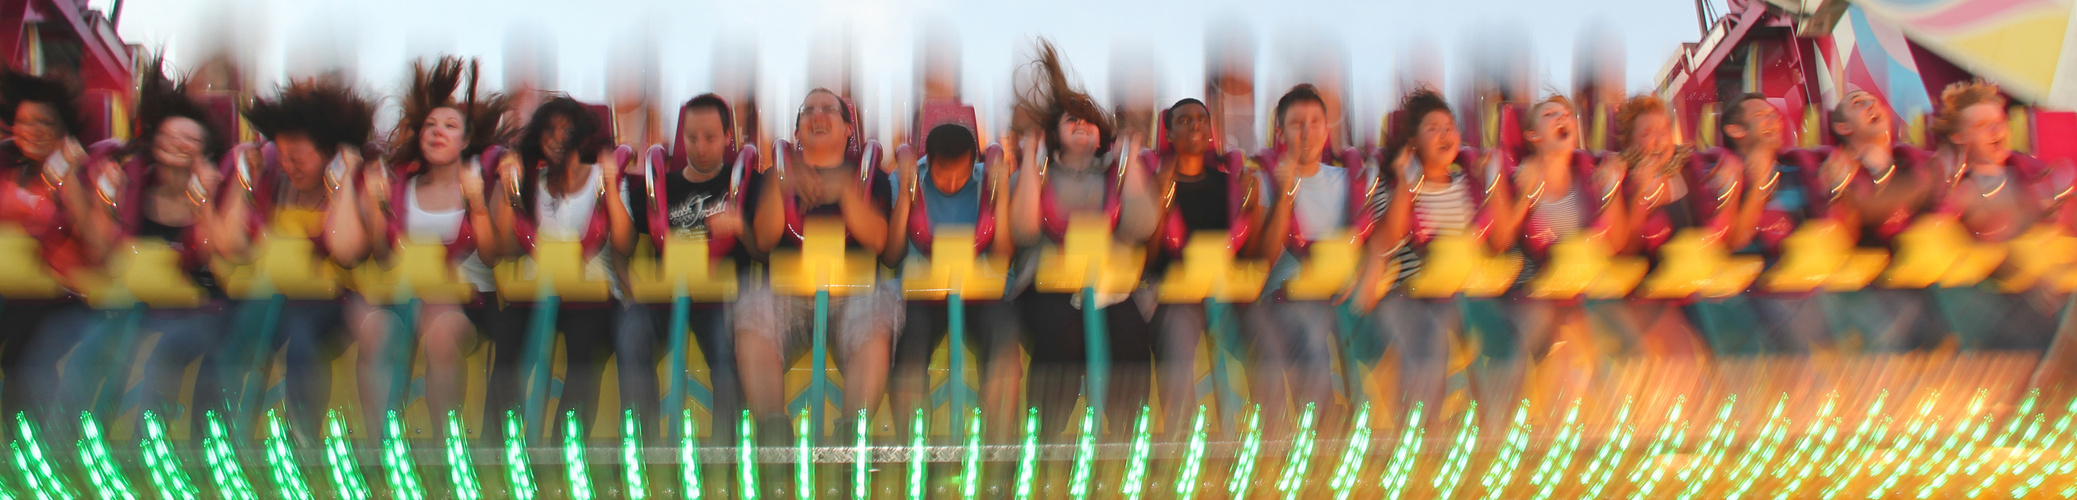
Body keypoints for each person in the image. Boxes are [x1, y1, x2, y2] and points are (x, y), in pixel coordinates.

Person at [1006, 40, 1158, 453]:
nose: (1080, 125)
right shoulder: (1038, 173)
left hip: (1110, 286)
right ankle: (1045, 443)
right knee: (1061, 339)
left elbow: (1140, 227)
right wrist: (1031, 158)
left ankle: (1127, 445)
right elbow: (1022, 231)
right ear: (1054, 132)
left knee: (1129, 334)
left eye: (1089, 122)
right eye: (1071, 119)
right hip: (1049, 284)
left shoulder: (1114, 174)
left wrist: (1132, 164)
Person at [738, 88, 901, 459]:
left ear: (847, 130)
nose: (817, 115)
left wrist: (844, 190)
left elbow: (878, 240)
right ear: (797, 133)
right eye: (808, 111)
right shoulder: (773, 175)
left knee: (877, 313)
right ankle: (773, 433)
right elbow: (764, 239)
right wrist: (781, 188)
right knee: (752, 309)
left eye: (829, 109)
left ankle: (851, 436)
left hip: (854, 290)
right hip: (787, 290)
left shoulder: (869, 177)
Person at [214, 76, 379, 436]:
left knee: (301, 340)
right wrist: (245, 178)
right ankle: (216, 439)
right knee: (229, 342)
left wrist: (346, 178)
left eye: (298, 157)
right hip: (271, 296)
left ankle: (302, 442)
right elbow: (229, 244)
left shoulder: (355, 182)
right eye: (283, 155)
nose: (288, 165)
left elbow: (346, 249)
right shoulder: (272, 179)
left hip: (331, 300)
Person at [354, 57, 509, 436]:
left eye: (450, 126)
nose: (438, 132)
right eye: (430, 125)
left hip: (465, 299)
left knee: (438, 332)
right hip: (406, 294)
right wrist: (376, 208)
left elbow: (490, 255)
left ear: (466, 140)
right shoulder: (401, 188)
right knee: (371, 326)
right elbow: (382, 253)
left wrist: (476, 205)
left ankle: (445, 446)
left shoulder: (483, 185)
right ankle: (381, 444)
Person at [884, 116, 1023, 491]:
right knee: (908, 356)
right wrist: (909, 193)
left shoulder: (989, 180)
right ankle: (916, 460)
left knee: (1005, 350)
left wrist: (1001, 196)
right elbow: (893, 254)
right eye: (942, 176)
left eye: (959, 175)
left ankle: (996, 458)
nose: (949, 184)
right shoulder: (906, 178)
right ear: (928, 162)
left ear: (974, 162)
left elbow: (1004, 255)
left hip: (981, 289)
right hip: (923, 291)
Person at [484, 96, 631, 439]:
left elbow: (625, 243)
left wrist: (610, 189)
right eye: (549, 130)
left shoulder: (602, 177)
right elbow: (506, 248)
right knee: (506, 339)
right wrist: (509, 193)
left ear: (582, 137)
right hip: (535, 291)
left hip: (591, 293)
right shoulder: (533, 182)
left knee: (585, 349)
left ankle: (565, 444)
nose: (556, 138)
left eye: (567, 130)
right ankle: (498, 440)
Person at [618, 93, 747, 447]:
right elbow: (624, 245)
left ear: (727, 137)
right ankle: (642, 448)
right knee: (630, 333)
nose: (700, 147)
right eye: (692, 138)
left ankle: (728, 448)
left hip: (718, 294)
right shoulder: (660, 187)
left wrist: (741, 228)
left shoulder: (741, 186)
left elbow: (762, 246)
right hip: (665, 293)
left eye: (710, 138)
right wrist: (628, 282)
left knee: (726, 348)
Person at [1241, 84, 1371, 434]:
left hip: (1338, 292)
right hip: (1283, 296)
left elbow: (1364, 241)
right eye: (1297, 123)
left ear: (1326, 130)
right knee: (1310, 330)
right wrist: (1284, 197)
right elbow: (1264, 257)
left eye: (1315, 122)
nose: (1307, 132)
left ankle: (1339, 427)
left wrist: (1358, 274)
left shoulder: (1345, 180)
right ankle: (1317, 432)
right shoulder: (1264, 181)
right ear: (1280, 132)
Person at [1144, 97, 1255, 440]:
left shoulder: (1229, 185)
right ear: (1169, 133)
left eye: (1200, 120)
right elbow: (1147, 257)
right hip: (1177, 294)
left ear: (1211, 132)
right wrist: (1160, 203)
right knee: (1176, 341)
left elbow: (1250, 252)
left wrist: (1257, 205)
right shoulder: (1157, 185)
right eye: (1183, 120)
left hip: (1227, 290)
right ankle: (1180, 442)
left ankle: (1262, 439)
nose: (1194, 125)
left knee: (1266, 337)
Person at [1922, 81, 2061, 349]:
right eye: (1982, 125)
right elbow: (1979, 246)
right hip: (1997, 298)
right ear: (1959, 136)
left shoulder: (2032, 177)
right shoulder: (1961, 191)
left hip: (2043, 288)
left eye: (1999, 122)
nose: (1996, 130)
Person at [1, 69, 101, 433]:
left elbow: (94, 243)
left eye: (44, 122)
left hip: (59, 295)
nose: (32, 129)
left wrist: (68, 179)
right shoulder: (10, 169)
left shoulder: (83, 174)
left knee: (23, 365)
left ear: (63, 130)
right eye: (24, 121)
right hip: (12, 291)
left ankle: (28, 447)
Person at [1699, 93, 1832, 353]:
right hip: (1755, 287)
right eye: (1761, 116)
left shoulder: (1800, 173)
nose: (1773, 121)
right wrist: (1757, 185)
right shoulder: (1720, 178)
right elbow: (1736, 241)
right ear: (1736, 130)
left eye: (1774, 115)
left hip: (1807, 278)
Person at [1814, 90, 1944, 352]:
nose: (1871, 105)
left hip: (1921, 280)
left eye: (1874, 102)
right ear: (1843, 127)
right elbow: (1865, 208)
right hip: (1868, 287)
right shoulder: (1838, 168)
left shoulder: (1910, 162)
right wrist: (1921, 186)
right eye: (1859, 104)